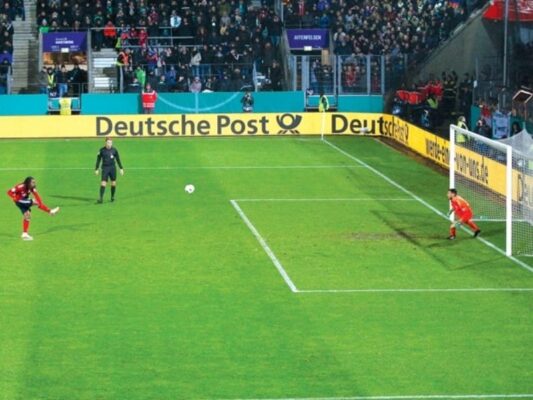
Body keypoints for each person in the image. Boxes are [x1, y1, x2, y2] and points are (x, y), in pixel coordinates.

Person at [95, 138, 124, 203]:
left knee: (113, 183)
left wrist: (121, 168)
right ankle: (101, 199)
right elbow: (98, 160)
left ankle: (112, 197)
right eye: (108, 142)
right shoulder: (101, 150)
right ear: (105, 143)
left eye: (110, 143)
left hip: (112, 168)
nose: (109, 144)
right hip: (105, 168)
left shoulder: (114, 150)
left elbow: (118, 159)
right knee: (103, 182)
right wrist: (96, 169)